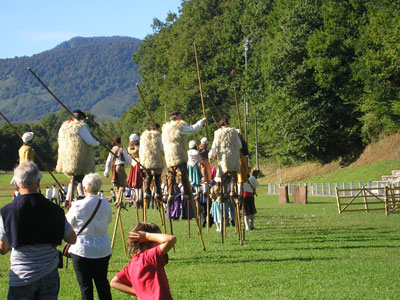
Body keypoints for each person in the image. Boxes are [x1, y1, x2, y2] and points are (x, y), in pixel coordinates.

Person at [0, 161, 77, 300]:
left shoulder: (7, 212)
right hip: (49, 274)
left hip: (22, 275)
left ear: (16, 184)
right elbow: (72, 238)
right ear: (38, 181)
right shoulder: (55, 210)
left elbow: (3, 248)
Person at [66, 173, 113, 300]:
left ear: (84, 188)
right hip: (103, 248)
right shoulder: (105, 204)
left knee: (86, 287)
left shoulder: (78, 205)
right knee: (102, 284)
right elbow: (109, 220)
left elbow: (67, 224)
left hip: (82, 249)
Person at [110, 222, 176, 300]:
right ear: (147, 241)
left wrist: (140, 294)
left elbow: (114, 282)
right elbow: (171, 239)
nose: (160, 241)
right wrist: (146, 235)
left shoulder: (132, 264)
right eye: (157, 238)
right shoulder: (149, 257)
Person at [56, 110, 100, 203]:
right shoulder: (80, 127)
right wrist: (98, 143)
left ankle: (75, 196)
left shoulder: (64, 127)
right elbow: (90, 141)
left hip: (67, 158)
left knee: (77, 178)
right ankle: (71, 198)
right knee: (78, 178)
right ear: (81, 118)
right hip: (78, 158)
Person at [161, 111, 206, 203]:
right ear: (177, 117)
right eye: (180, 116)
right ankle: (187, 193)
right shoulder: (178, 127)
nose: (181, 118)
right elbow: (193, 128)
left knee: (171, 175)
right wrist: (202, 121)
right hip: (178, 153)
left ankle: (170, 193)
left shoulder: (166, 128)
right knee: (184, 173)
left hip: (169, 155)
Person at [140, 123, 164, 210]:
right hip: (156, 161)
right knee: (157, 177)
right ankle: (157, 193)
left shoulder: (143, 137)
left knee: (148, 177)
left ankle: (147, 192)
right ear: (156, 128)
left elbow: (141, 150)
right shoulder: (158, 136)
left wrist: (141, 161)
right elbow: (162, 148)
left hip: (146, 161)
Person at [104, 136, 132, 203]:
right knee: (123, 185)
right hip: (120, 167)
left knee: (116, 186)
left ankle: (117, 200)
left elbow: (108, 162)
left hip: (113, 168)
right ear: (120, 142)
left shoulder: (112, 150)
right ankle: (119, 201)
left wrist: (106, 172)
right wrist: (130, 156)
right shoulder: (122, 149)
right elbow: (128, 161)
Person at [127, 133, 143, 207]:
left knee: (135, 182)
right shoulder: (140, 147)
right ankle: (139, 197)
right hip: (138, 163)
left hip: (133, 164)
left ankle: (138, 197)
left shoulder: (129, 148)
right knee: (139, 181)